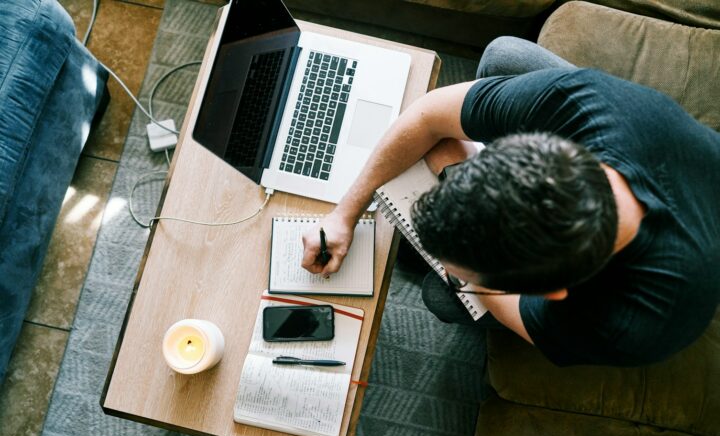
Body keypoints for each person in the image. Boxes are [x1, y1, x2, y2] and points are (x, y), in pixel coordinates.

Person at [301, 37, 720, 367]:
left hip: (691, 257)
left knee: (442, 297)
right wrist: (344, 213)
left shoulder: (634, 324)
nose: (459, 276)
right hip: (675, 157)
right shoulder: (584, 102)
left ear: (556, 293)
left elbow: (520, 316)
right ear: (529, 145)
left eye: (467, 276)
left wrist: (456, 279)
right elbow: (429, 115)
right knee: (505, 56)